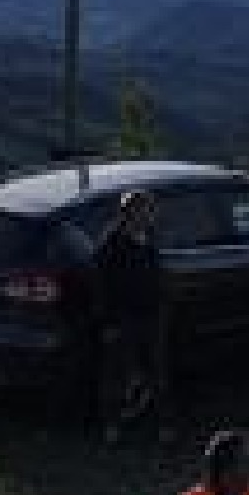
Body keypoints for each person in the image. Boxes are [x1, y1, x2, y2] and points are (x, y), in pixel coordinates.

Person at [98, 189, 172, 444]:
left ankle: (162, 424)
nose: (145, 215)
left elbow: (157, 274)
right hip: (123, 319)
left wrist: (162, 303)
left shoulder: (151, 238)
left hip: (152, 317)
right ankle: (112, 425)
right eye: (139, 210)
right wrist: (109, 322)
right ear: (126, 214)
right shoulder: (112, 244)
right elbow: (103, 287)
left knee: (155, 373)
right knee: (117, 375)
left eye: (148, 210)